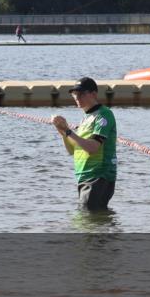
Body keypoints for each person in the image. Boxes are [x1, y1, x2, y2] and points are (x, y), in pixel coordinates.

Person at [51, 77, 117, 211]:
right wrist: (62, 130)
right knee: (89, 221)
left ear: (93, 94)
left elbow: (93, 147)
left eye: (81, 94)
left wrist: (69, 131)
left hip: (98, 176)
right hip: (84, 177)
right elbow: (72, 150)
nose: (77, 97)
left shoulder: (104, 115)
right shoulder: (85, 119)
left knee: (86, 220)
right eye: (75, 94)